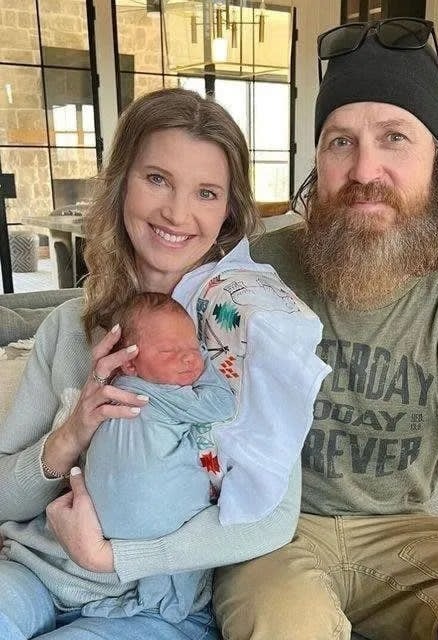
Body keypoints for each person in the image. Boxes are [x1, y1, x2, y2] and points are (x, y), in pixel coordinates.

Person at [212, 18, 438, 640]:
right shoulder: (257, 270)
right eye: (340, 142)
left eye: (394, 138)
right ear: (317, 161)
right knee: (283, 625)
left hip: (405, 535)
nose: (363, 170)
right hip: (275, 529)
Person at [0, 87, 330, 640]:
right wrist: (72, 433)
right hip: (34, 571)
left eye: (206, 192)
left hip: (155, 603)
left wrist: (115, 558)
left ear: (228, 212)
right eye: (157, 178)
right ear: (121, 183)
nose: (177, 213)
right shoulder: (66, 327)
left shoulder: (249, 335)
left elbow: (272, 517)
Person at [84, 291, 236, 541]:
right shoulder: (165, 395)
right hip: (163, 523)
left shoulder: (115, 388)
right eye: (168, 351)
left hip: (103, 523)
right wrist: (205, 357)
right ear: (129, 363)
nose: (189, 357)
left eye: (193, 346)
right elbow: (223, 405)